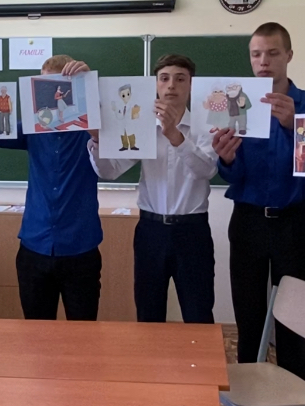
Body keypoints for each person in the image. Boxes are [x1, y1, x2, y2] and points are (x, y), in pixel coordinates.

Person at [210, 22, 305, 406]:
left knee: (293, 328)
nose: (263, 62)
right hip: (247, 222)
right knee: (248, 324)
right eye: (256, 54)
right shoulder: (235, 102)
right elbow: (233, 174)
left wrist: (293, 127)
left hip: (291, 223)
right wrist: (227, 160)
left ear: (289, 56)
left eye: (272, 53)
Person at [88, 54, 218, 323]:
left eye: (180, 79)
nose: (171, 85)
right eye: (164, 78)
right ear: (155, 85)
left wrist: (175, 136)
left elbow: (206, 170)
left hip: (192, 232)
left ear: (191, 85)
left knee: (198, 313)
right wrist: (99, 142)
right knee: (148, 314)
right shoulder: (142, 127)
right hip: (151, 231)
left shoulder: (206, 125)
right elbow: (110, 171)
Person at [0, 56, 103, 320]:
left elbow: (122, 121)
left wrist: (88, 84)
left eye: (53, 85)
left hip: (80, 249)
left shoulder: (93, 130)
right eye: (41, 85)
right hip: (34, 249)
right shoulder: (33, 129)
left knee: (83, 334)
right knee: (36, 335)